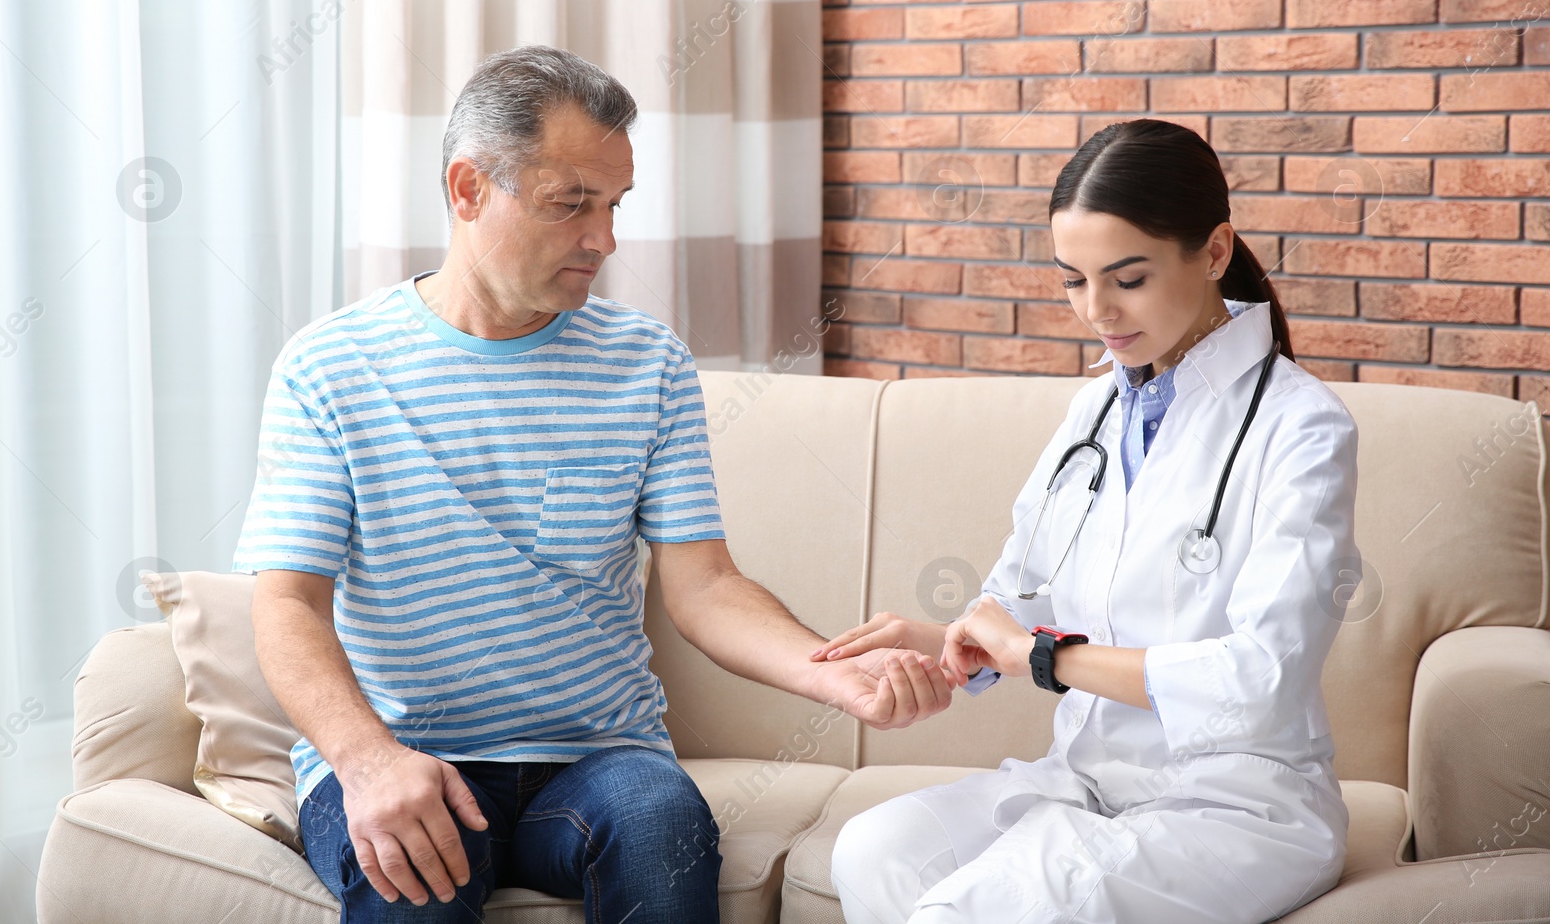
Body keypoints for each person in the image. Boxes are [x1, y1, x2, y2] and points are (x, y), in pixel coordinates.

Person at [236, 45, 954, 924]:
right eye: (570, 203)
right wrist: (366, 759)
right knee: (412, 882)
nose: (603, 240)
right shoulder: (330, 367)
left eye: (613, 205)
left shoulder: (645, 360)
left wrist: (831, 676)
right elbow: (286, 605)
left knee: (661, 822)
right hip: (401, 749)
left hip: (598, 758)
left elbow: (707, 586)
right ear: (468, 189)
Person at [815, 118, 1359, 924]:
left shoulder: (1302, 426)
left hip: (1236, 803)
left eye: (1127, 278)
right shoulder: (1096, 409)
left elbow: (1262, 680)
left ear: (1213, 252)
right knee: (873, 850)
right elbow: (1019, 601)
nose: (1096, 310)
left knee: (992, 903)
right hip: (1088, 781)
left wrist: (1041, 658)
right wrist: (937, 638)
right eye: (1073, 279)